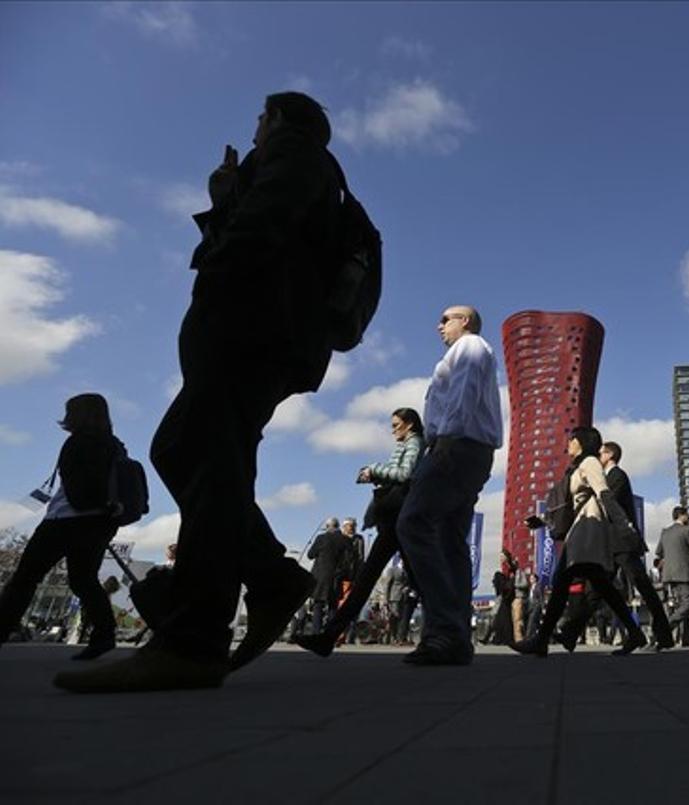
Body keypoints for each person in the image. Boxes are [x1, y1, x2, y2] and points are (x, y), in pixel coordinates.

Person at [56, 93, 345, 693]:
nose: (257, 128)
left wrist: (215, 283)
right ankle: (267, 577)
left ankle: (193, 641)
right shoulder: (301, 169)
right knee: (185, 450)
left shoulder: (296, 152)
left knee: (206, 457)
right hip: (268, 333)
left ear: (282, 122)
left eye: (262, 118)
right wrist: (226, 195)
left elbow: (265, 225)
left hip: (250, 329)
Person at [395, 305, 503, 665]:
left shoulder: (469, 347)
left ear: (465, 322)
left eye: (446, 319)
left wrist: (444, 441)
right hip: (470, 451)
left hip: (455, 447)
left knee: (413, 523)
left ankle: (443, 629)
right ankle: (454, 636)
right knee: (450, 539)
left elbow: (464, 393)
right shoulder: (467, 350)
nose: (438, 325)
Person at [0, 394, 124, 661]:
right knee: (84, 579)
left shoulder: (76, 443)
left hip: (64, 520)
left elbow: (72, 487)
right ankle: (104, 633)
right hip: (98, 522)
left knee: (25, 578)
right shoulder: (115, 445)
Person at [297, 408, 426, 657]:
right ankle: (328, 636)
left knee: (381, 578)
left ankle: (450, 630)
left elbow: (405, 473)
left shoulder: (414, 443)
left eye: (396, 425)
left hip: (398, 519)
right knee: (392, 578)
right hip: (395, 520)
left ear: (409, 425)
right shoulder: (409, 443)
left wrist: (374, 469)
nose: (393, 430)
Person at [513, 426, 647, 657]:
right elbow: (571, 506)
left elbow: (604, 493)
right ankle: (634, 633)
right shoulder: (576, 468)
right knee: (599, 584)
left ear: (582, 442)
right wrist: (543, 521)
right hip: (581, 528)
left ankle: (542, 640)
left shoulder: (590, 463)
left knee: (564, 580)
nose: (569, 444)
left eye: (572, 439)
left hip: (589, 529)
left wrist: (624, 526)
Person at [556, 441, 675, 650]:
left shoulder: (617, 476)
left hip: (623, 542)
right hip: (610, 544)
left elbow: (607, 504)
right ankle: (572, 633)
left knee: (642, 586)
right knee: (598, 590)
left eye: (601, 453)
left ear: (610, 455)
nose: (598, 457)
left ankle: (663, 635)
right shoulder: (605, 477)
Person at [656, 507, 689, 647]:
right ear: (682, 515)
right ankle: (664, 628)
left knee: (681, 605)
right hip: (684, 572)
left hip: (669, 574)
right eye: (687, 515)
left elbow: (659, 552)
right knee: (688, 603)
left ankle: (686, 638)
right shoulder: (686, 531)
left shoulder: (665, 532)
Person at [307, 518, 351, 635]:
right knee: (333, 605)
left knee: (318, 605)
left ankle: (316, 632)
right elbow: (349, 560)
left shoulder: (321, 538)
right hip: (336, 576)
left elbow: (310, 555)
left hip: (320, 575)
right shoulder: (344, 539)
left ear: (327, 526)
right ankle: (330, 633)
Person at [511, 562, 530, 643]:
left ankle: (519, 638)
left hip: (519, 597)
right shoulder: (512, 573)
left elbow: (525, 584)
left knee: (518, 619)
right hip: (513, 599)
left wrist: (515, 585)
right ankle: (516, 637)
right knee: (514, 619)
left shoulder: (520, 573)